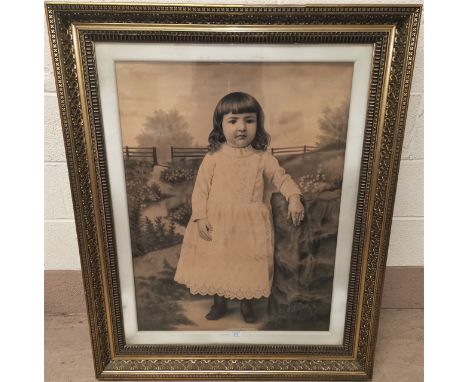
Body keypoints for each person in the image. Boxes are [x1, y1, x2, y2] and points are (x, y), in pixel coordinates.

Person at [174, 92, 304, 324]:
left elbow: (281, 178)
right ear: (220, 126)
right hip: (218, 220)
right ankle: (219, 302)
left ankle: (247, 304)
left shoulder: (262, 158)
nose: (241, 127)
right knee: (218, 261)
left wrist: (294, 196)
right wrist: (200, 217)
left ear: (258, 124)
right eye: (233, 121)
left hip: (250, 223)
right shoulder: (213, 157)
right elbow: (200, 190)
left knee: (247, 262)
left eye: (249, 120)